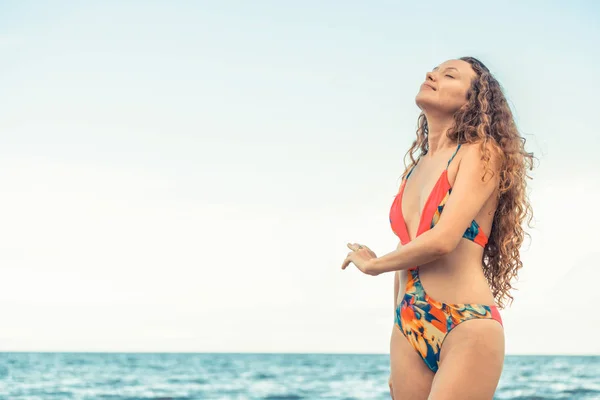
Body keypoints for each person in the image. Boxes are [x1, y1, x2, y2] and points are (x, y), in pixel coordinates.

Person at [341, 57, 534, 399]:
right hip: (408, 325)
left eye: (449, 75)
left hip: (466, 323)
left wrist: (373, 265)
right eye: (433, 70)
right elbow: (406, 252)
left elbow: (444, 240)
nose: (432, 75)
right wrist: (397, 328)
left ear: (471, 99)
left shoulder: (481, 153)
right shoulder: (412, 171)